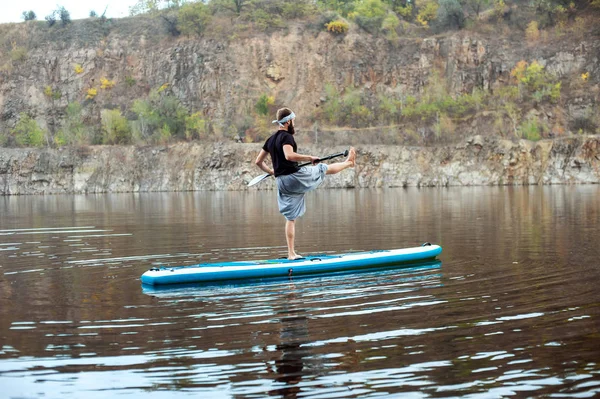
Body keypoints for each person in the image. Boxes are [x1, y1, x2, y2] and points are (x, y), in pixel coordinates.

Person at [255, 107, 356, 260]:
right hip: (294, 178)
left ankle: (291, 254)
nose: (294, 122)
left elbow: (258, 162)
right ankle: (349, 163)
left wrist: (272, 172)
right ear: (288, 121)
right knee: (323, 168)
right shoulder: (286, 137)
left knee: (290, 218)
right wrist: (309, 158)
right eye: (293, 120)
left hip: (281, 182)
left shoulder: (270, 140)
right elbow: (289, 156)